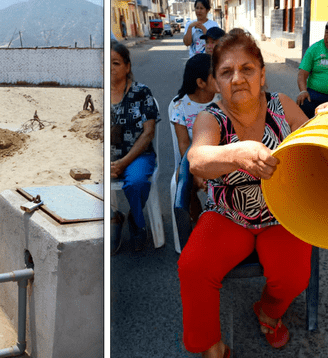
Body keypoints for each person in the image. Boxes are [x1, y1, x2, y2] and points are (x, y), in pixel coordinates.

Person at [178, 29, 311, 358]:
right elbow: (196, 160)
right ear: (217, 82)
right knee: (193, 267)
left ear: (262, 74)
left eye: (247, 69)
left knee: (294, 276)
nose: (237, 79)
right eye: (226, 72)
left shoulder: (283, 106)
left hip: (280, 214)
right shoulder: (212, 118)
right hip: (227, 215)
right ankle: (212, 345)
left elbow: (315, 146)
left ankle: (267, 310)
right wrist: (238, 154)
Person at [110, 42, 160, 253]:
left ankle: (136, 221)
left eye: (116, 63)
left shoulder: (141, 92)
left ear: (127, 67)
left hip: (138, 154)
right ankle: (114, 217)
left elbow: (148, 132)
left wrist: (122, 163)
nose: (110, 68)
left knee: (137, 182)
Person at [169, 53, 218, 220]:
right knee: (183, 182)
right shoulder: (180, 106)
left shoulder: (223, 99)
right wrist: (196, 170)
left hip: (222, 155)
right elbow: (183, 144)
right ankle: (196, 218)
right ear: (200, 83)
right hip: (193, 158)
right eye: (215, 75)